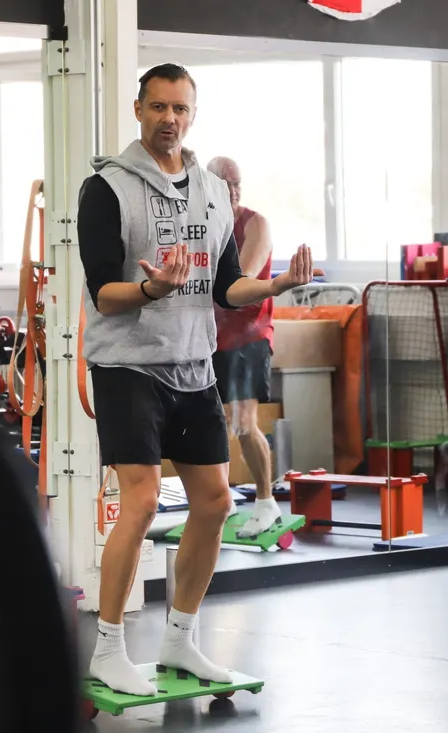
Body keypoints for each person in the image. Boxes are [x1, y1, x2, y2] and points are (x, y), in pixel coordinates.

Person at [77, 63, 321, 697]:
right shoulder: (105, 189)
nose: (169, 120)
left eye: (180, 109)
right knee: (143, 502)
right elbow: (103, 292)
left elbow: (226, 286)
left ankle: (181, 640)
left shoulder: (213, 192)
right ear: (138, 110)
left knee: (214, 502)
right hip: (127, 365)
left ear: (193, 114)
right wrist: (152, 287)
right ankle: (108, 647)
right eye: (158, 107)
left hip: (193, 366)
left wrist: (280, 286)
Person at [205, 156, 281, 539]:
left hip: (249, 336)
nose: (233, 191)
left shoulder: (256, 224)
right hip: (210, 337)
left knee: (243, 423)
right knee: (212, 423)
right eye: (225, 184)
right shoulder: (205, 223)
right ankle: (223, 499)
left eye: (237, 184)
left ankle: (266, 502)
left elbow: (240, 281)